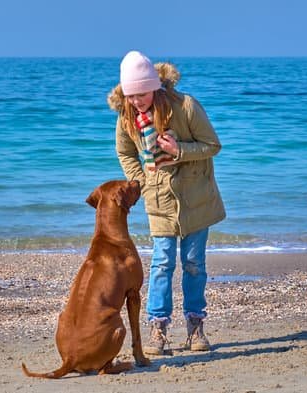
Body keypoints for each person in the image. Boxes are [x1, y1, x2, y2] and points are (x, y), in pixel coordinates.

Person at [107, 50, 226, 355]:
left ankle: (195, 328)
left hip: (196, 198)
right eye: (131, 95)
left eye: (142, 93)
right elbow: (125, 154)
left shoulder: (185, 106)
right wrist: (143, 183)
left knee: (194, 264)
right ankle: (157, 329)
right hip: (157, 198)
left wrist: (178, 151)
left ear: (155, 86)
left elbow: (212, 146)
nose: (137, 101)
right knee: (161, 264)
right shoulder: (127, 116)